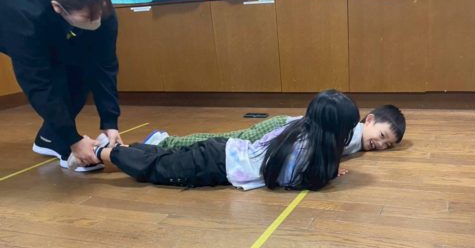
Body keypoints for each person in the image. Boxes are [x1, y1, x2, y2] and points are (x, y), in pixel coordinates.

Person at [93, 90, 359, 191]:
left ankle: (120, 150)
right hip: (214, 164)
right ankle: (100, 153)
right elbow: (293, 179)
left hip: (222, 152)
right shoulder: (304, 150)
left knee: (163, 159)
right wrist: (326, 172)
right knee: (156, 169)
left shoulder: (299, 128)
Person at [0, 0, 122, 172]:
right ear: (58, 8)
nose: (97, 21)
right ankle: (62, 138)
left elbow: (105, 64)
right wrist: (72, 140)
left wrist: (110, 122)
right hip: (8, 12)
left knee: (80, 71)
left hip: (42, 17)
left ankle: (50, 137)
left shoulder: (97, 2)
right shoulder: (26, 15)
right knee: (55, 77)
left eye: (99, 14)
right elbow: (38, 83)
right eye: (87, 18)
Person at [149, 104, 406, 154]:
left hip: (283, 132)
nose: (380, 144)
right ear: (369, 120)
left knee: (228, 141)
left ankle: (168, 143)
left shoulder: (356, 139)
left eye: (388, 145)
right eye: (382, 136)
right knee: (227, 140)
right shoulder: (352, 131)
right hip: (280, 129)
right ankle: (166, 141)